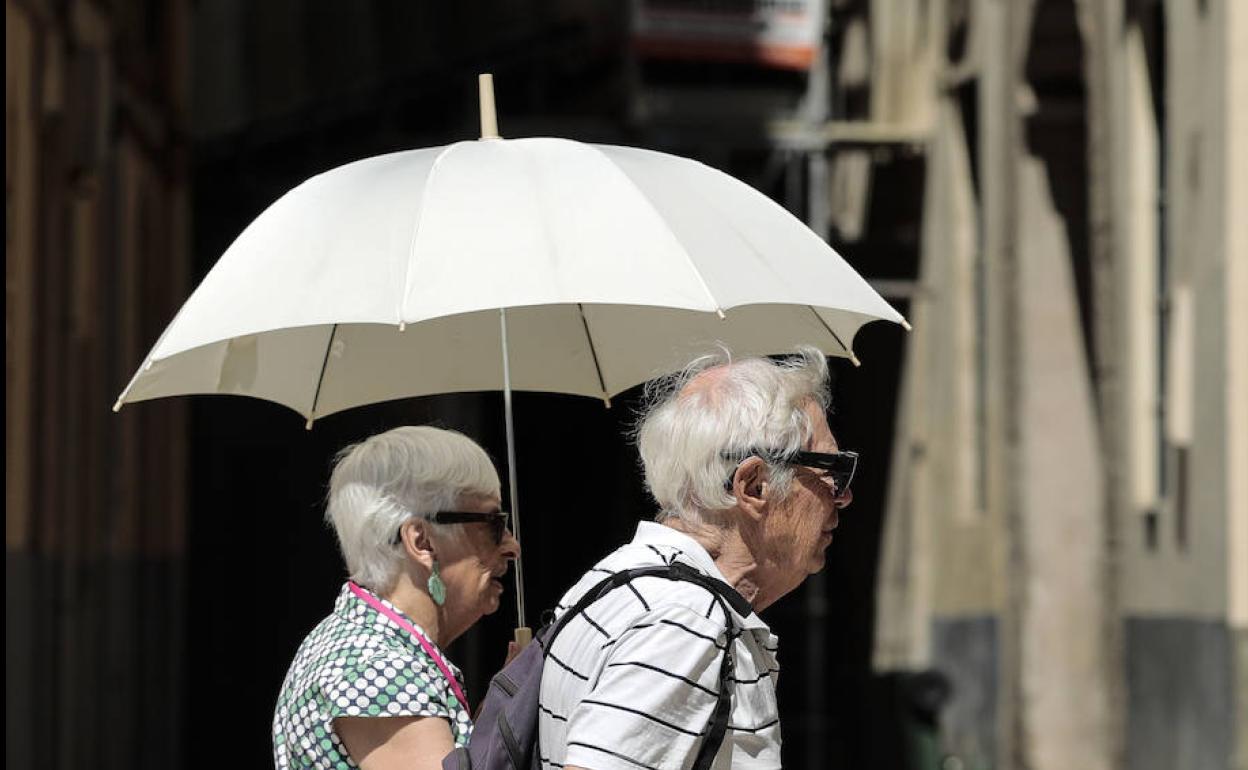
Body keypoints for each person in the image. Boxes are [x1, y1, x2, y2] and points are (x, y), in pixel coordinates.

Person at [537, 347, 855, 769]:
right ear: (754, 486)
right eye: (830, 470)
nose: (844, 495)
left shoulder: (613, 579)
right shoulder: (685, 621)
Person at [273, 426, 520, 770]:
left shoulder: (360, 643)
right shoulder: (377, 666)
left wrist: (505, 703)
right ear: (422, 542)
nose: (512, 547)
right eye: (493, 524)